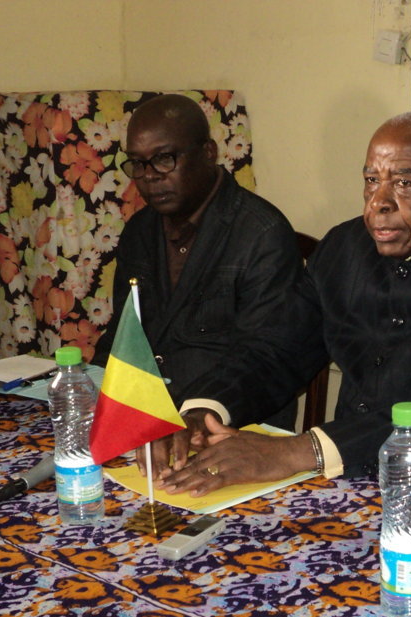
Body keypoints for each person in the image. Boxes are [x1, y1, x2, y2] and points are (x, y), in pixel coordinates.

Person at [158, 109, 411, 497]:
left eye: (404, 183)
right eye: (371, 180)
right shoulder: (342, 249)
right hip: (353, 482)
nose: (378, 202)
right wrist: (204, 410)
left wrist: (299, 451)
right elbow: (278, 348)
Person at [93, 93, 302, 437]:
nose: (149, 176)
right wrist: (88, 387)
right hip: (149, 422)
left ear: (208, 152)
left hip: (234, 430)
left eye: (164, 159)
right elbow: (123, 335)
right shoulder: (139, 231)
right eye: (138, 163)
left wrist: (202, 411)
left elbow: (267, 359)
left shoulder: (261, 234)